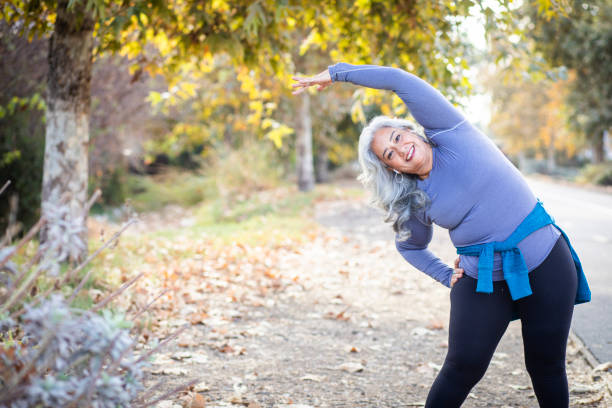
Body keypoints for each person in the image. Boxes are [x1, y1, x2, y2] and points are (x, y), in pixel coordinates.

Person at [292, 63, 591, 407]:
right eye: (389, 154)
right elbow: (410, 247)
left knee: (545, 365)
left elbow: (399, 81)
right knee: (461, 367)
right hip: (482, 279)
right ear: (391, 168)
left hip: (545, 260)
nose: (400, 149)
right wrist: (445, 274)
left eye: (398, 137)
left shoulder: (452, 132)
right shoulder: (413, 199)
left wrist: (337, 73)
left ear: (413, 131)